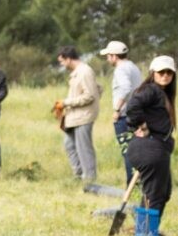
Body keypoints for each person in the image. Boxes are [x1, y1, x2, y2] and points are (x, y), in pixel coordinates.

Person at [123, 56, 177, 214]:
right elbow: (132, 107)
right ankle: (147, 235)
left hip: (154, 149)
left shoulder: (161, 92)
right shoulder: (151, 89)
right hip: (149, 148)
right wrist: (143, 125)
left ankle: (144, 230)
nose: (165, 75)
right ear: (153, 73)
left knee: (162, 192)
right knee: (155, 197)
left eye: (169, 72)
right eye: (161, 72)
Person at [56, 46, 100, 186]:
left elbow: (90, 96)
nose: (62, 65)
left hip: (83, 117)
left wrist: (66, 103)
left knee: (84, 148)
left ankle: (89, 181)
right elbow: (98, 88)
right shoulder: (78, 72)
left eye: (62, 61)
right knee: (69, 144)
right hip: (75, 116)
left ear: (68, 59)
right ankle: (79, 175)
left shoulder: (85, 72)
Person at [103, 41, 143, 188]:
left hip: (125, 115)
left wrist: (117, 109)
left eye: (108, 56)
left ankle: (132, 184)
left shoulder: (120, 69)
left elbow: (126, 88)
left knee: (128, 150)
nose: (107, 59)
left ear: (114, 56)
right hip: (137, 112)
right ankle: (140, 181)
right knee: (138, 149)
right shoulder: (133, 67)